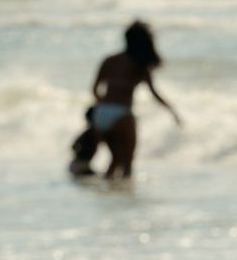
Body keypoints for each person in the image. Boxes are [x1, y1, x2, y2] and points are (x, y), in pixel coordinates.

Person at [78, 21, 182, 179]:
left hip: (101, 114)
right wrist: (171, 110)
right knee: (127, 164)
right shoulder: (140, 65)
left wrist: (104, 106)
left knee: (113, 162)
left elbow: (95, 89)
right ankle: (124, 201)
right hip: (122, 115)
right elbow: (154, 93)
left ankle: (108, 196)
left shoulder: (109, 60)